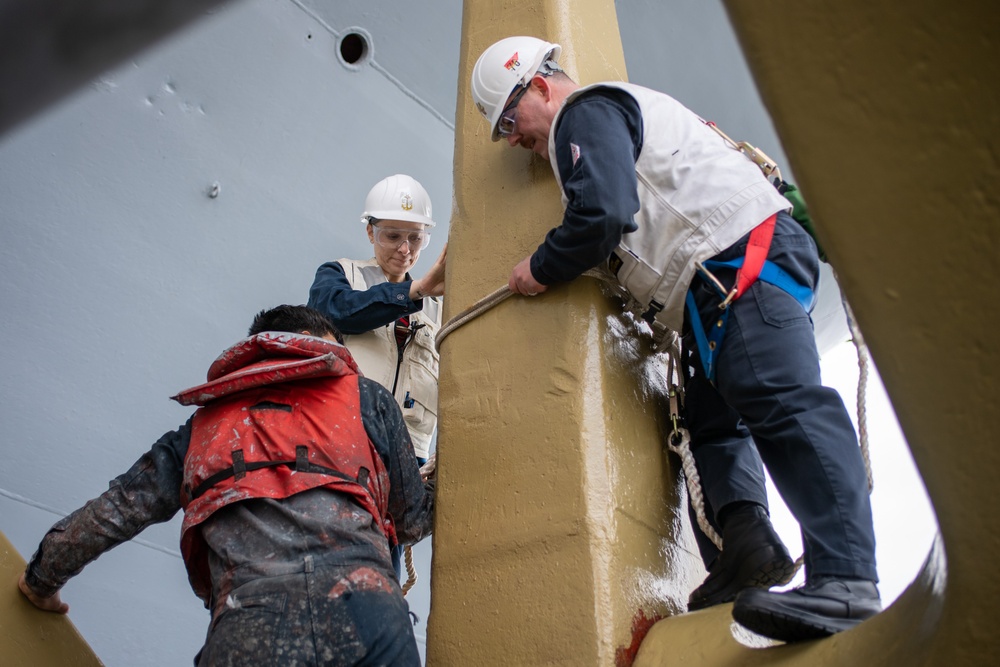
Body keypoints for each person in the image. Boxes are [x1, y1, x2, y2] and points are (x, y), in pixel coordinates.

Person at [470, 36, 880, 643]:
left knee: (779, 396)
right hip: (712, 283)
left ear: (538, 86)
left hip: (738, 261)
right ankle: (746, 551)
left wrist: (541, 267)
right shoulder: (611, 117)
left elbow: (603, 212)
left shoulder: (584, 112)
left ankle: (848, 579)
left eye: (509, 117)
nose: (511, 138)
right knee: (711, 421)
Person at [17, 305, 434, 666]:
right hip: (370, 612)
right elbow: (411, 521)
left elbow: (116, 510)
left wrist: (41, 581)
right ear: (310, 341)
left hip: (249, 624)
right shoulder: (367, 397)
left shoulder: (200, 429)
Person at [308, 174, 445, 579]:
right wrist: (415, 291)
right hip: (343, 446)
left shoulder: (443, 307)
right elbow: (336, 310)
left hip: (405, 467)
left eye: (415, 239)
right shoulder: (339, 275)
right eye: (392, 236)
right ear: (370, 231)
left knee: (382, 576)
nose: (404, 250)